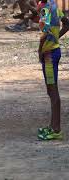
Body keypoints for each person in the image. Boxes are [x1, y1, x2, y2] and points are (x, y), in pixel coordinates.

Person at [37, 0, 68, 140]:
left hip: (49, 55)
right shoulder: (54, 6)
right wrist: (55, 39)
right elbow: (66, 24)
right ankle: (53, 125)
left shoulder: (45, 9)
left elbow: (44, 34)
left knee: (53, 90)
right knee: (51, 90)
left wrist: (40, 51)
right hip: (54, 51)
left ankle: (56, 129)